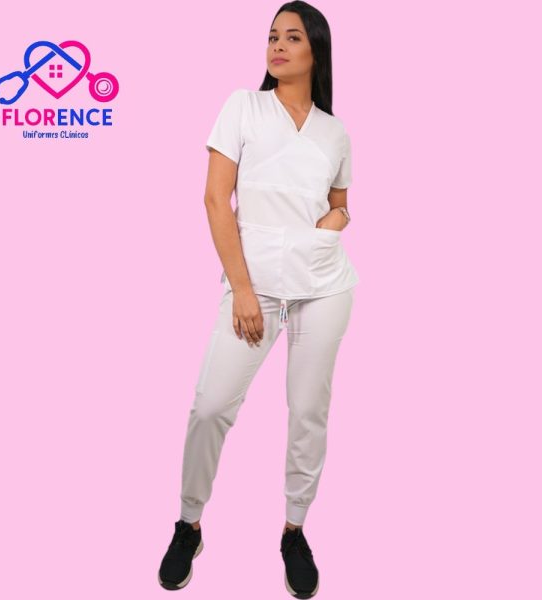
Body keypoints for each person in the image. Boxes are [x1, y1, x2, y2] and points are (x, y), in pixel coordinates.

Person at [158, 2, 359, 597]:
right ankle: (189, 522)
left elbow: (342, 203)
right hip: (255, 287)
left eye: (292, 37)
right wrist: (243, 290)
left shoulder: (335, 131)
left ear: (316, 50)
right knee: (210, 406)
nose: (277, 46)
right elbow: (215, 199)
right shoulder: (243, 106)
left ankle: (294, 530)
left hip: (323, 286)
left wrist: (333, 223)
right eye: (272, 36)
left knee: (308, 411)